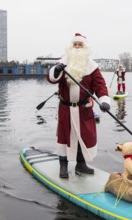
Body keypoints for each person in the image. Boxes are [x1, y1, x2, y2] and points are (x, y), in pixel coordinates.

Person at [47, 33, 111, 178]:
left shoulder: (92, 67)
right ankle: (63, 165)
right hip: (66, 109)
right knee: (64, 137)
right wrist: (56, 71)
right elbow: (51, 79)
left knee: (84, 136)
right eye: (75, 44)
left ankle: (81, 165)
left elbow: (100, 85)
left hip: (84, 109)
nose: (77, 47)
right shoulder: (62, 63)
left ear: (84, 47)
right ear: (71, 47)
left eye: (79, 44)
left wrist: (105, 101)